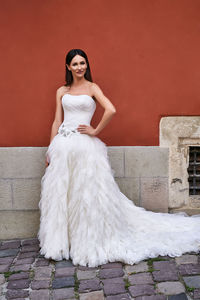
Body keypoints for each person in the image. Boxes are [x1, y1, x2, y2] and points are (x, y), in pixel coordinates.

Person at [37, 48, 200, 268]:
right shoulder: (61, 91)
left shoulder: (92, 88)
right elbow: (57, 121)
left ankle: (86, 239)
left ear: (87, 65)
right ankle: (61, 243)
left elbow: (111, 110)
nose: (79, 67)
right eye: (75, 64)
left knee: (85, 194)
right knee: (61, 194)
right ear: (68, 67)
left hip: (85, 148)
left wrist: (95, 131)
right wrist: (50, 148)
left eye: (82, 63)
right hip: (63, 146)